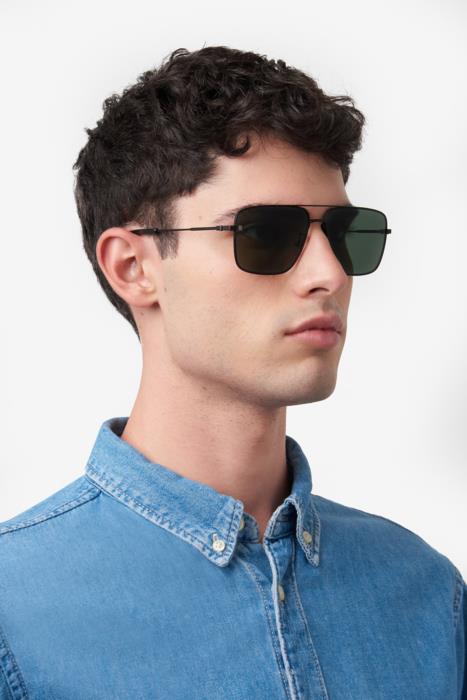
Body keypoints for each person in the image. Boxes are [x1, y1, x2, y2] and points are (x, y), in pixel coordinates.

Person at [0, 45, 464, 699]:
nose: (329, 274)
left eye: (344, 233)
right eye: (265, 233)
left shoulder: (426, 594)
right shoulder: (14, 614)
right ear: (133, 267)